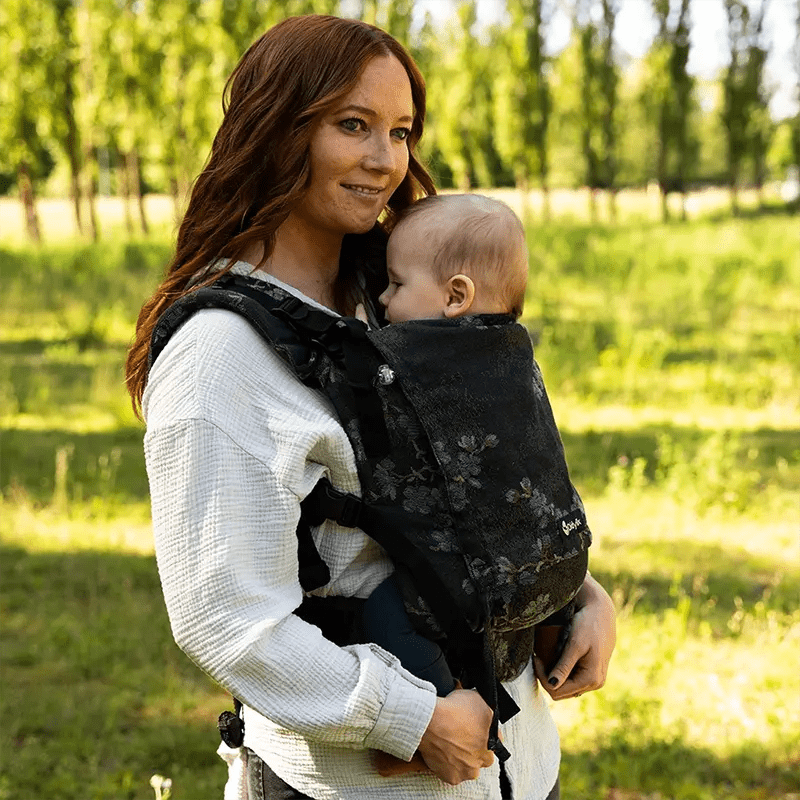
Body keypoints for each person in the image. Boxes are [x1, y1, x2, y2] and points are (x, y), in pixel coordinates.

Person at [125, 15, 616, 800]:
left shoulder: (404, 295)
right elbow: (226, 618)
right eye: (353, 125)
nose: (386, 160)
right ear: (278, 130)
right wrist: (409, 719)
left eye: (400, 130)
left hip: (521, 768)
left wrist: (577, 592)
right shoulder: (219, 354)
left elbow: (488, 479)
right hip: (357, 786)